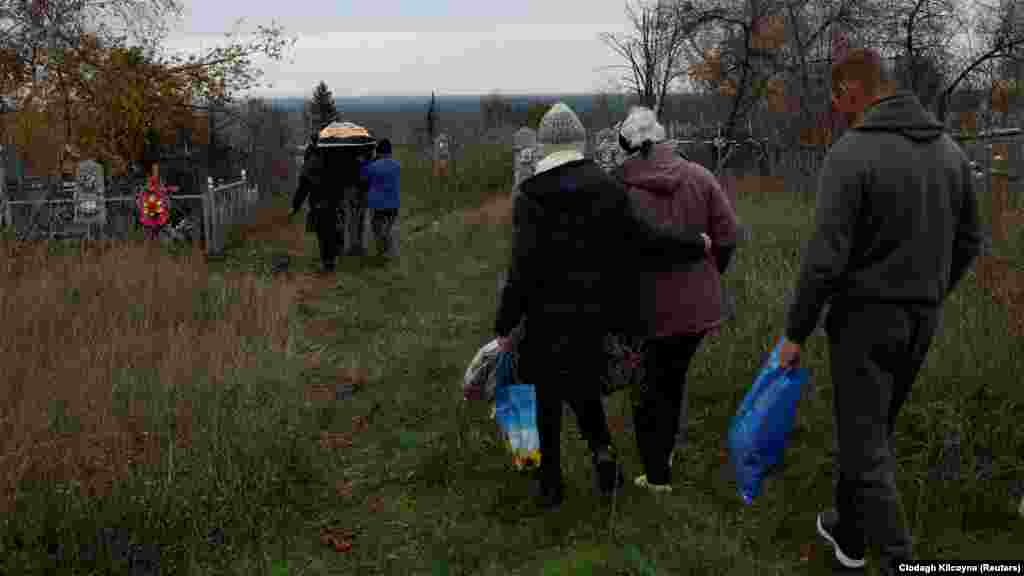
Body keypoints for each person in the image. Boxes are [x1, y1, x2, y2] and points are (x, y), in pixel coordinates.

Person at [775, 48, 982, 574]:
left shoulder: (852, 153)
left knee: (867, 447)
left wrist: (795, 331)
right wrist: (932, 292)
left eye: (837, 96)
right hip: (921, 320)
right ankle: (849, 531)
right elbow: (969, 241)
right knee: (869, 433)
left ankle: (900, 561)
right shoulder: (951, 153)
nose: (837, 107)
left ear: (853, 91)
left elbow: (824, 260)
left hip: (864, 322)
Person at [493, 102, 714, 508]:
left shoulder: (530, 194)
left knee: (546, 399)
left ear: (544, 147)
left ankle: (551, 487)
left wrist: (505, 322)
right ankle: (606, 464)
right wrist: (695, 243)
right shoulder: (607, 186)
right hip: (595, 312)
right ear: (579, 143)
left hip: (545, 315)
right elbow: (645, 236)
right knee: (583, 386)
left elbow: (521, 266)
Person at [610, 106, 738, 494]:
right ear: (663, 138)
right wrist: (709, 273)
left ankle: (657, 474)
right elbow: (728, 236)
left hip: (644, 309)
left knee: (647, 387)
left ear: (626, 145)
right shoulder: (700, 176)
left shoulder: (620, 187)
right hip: (697, 309)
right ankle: (663, 456)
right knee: (671, 379)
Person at [290, 130, 341, 273]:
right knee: (331, 229)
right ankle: (331, 259)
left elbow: (303, 187)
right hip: (333, 200)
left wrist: (295, 206)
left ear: (312, 143)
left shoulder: (311, 161)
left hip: (318, 201)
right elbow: (340, 180)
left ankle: (327, 262)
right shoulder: (333, 158)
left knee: (323, 233)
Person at [361, 138, 401, 257]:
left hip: (377, 204)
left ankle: (382, 251)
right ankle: (389, 251)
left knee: (377, 229)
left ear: (378, 151)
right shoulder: (397, 165)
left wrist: (365, 161)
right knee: (389, 227)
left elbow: (363, 175)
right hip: (393, 203)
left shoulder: (373, 166)